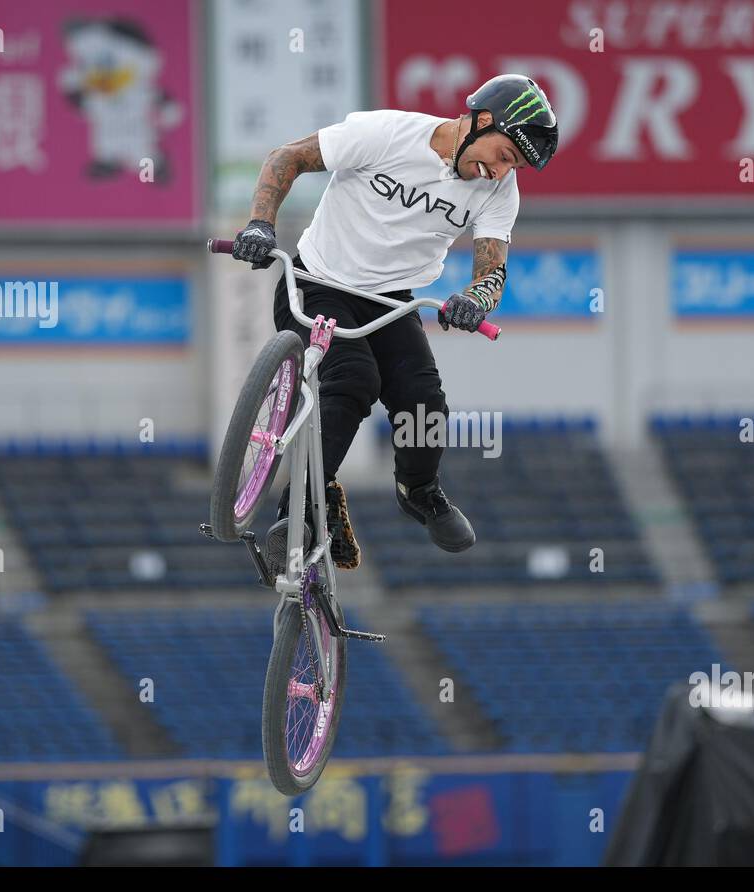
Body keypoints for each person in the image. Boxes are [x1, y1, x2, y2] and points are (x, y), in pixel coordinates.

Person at [228, 74, 558, 574]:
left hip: (390, 304)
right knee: (353, 380)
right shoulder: (387, 134)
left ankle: (419, 491)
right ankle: (295, 516)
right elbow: (286, 158)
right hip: (317, 283)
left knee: (423, 399)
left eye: (511, 166)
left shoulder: (498, 193)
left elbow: (493, 269)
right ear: (483, 121)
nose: (499, 172)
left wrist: (475, 299)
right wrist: (260, 223)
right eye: (505, 155)